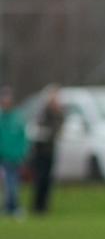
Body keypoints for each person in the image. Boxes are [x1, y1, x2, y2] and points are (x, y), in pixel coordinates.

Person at [32, 86, 65, 214]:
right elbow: (40, 129)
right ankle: (37, 206)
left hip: (51, 149)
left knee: (48, 180)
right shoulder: (44, 112)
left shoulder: (59, 113)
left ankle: (44, 206)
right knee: (40, 178)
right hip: (41, 150)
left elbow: (58, 128)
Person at [0, 86, 29, 218]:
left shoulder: (17, 118)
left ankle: (13, 206)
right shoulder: (1, 119)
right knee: (9, 183)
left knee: (13, 183)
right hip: (4, 157)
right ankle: (9, 206)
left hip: (15, 157)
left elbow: (23, 138)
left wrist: (22, 153)